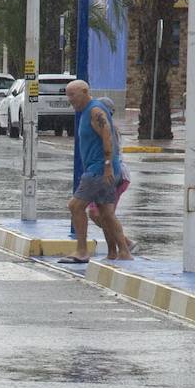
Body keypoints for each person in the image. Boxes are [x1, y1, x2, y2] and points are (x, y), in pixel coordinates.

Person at [61, 80, 132, 264]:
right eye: (67, 95)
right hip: (102, 169)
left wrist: (107, 165)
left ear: (85, 92)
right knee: (105, 213)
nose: (70, 99)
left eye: (73, 95)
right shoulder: (87, 111)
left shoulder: (95, 111)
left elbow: (107, 136)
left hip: (99, 170)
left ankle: (82, 251)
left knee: (75, 206)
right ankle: (122, 252)